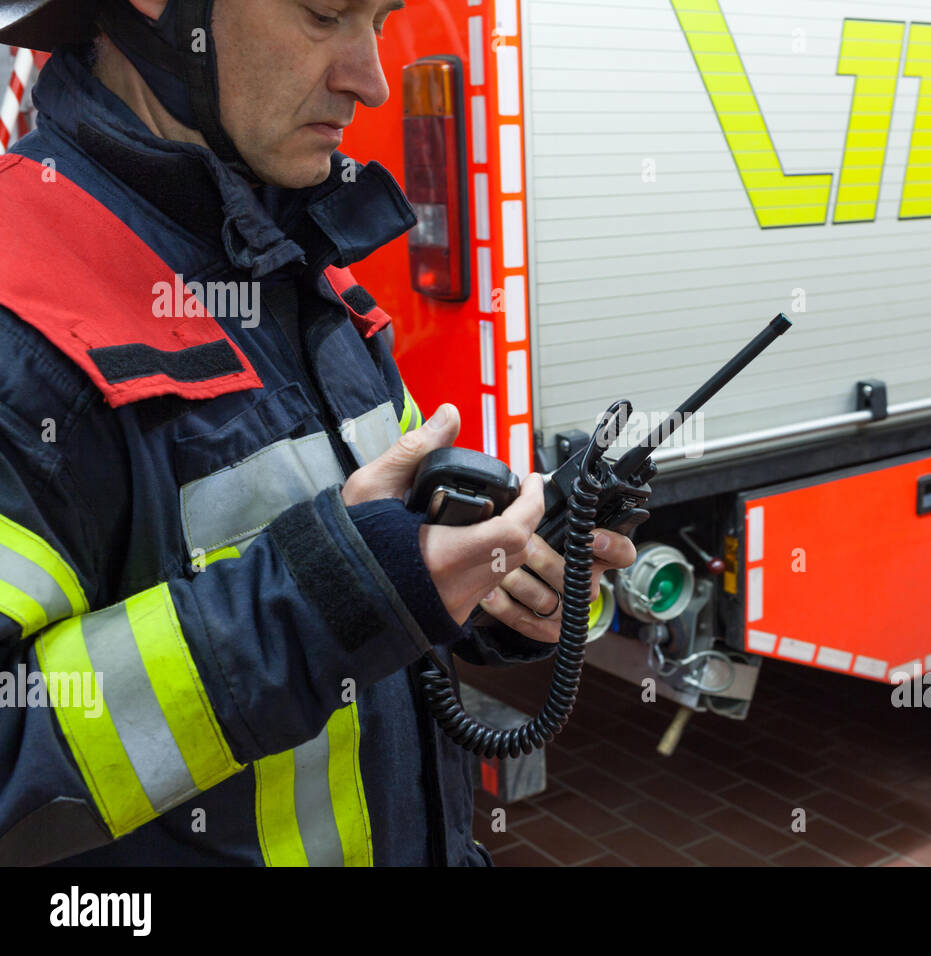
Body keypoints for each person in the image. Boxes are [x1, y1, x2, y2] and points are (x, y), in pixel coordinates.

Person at [0, 0, 636, 866]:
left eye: (379, 18)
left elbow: (384, 548)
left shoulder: (287, 255)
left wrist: (486, 583)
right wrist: (330, 596)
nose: (370, 78)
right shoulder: (18, 319)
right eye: (325, 13)